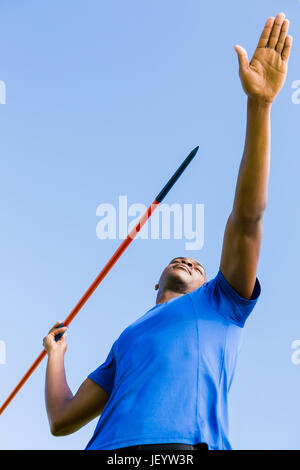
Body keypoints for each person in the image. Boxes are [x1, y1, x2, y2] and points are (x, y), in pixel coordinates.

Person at [43, 13, 292, 450]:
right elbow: (62, 419)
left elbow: (247, 218)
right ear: (155, 282)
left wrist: (260, 106)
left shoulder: (221, 301)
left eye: (198, 264)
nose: (190, 261)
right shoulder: (127, 340)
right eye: (181, 261)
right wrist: (56, 355)